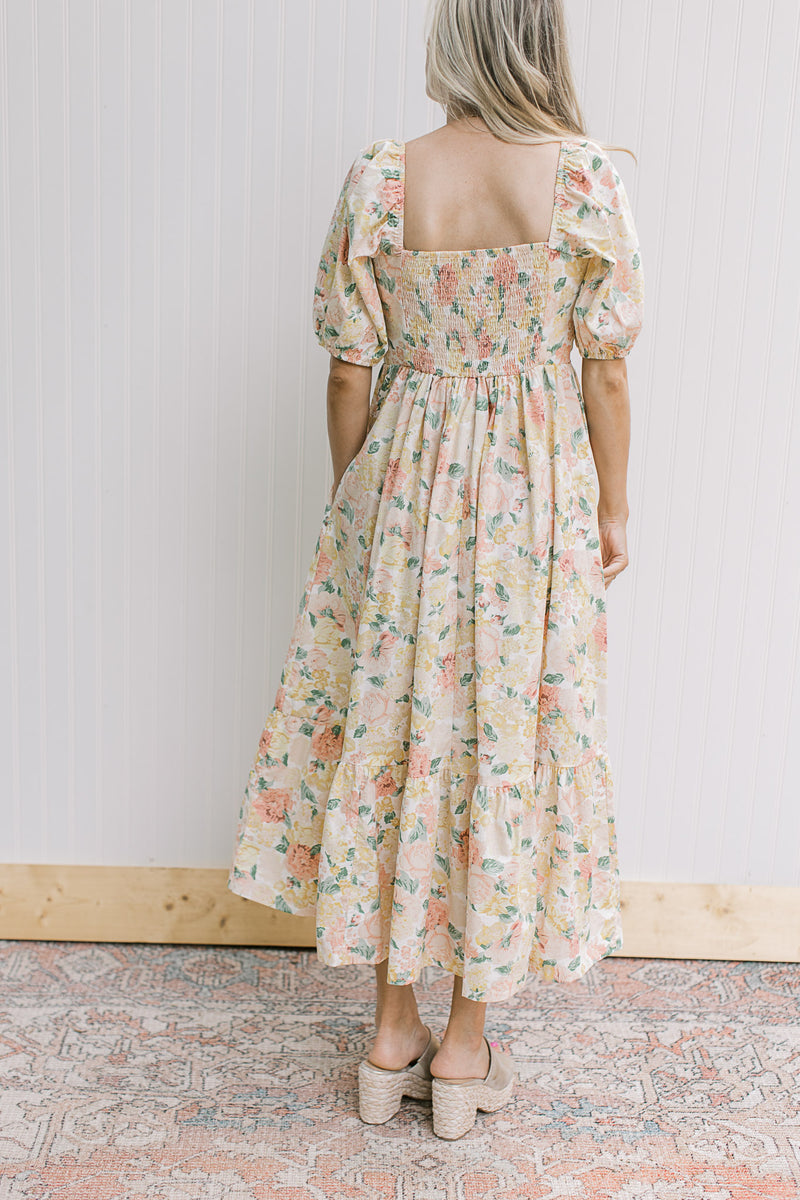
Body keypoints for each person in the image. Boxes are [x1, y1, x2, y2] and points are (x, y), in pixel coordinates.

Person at [227, 0, 644, 1140]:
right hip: (529, 488)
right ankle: (463, 1051)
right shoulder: (583, 179)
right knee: (498, 741)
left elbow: (344, 366)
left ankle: (387, 1031)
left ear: (451, 42)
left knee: (394, 731)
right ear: (541, 41)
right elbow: (602, 368)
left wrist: (354, 494)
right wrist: (610, 501)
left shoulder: (382, 176)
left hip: (402, 478)